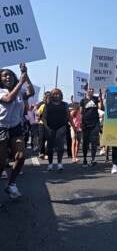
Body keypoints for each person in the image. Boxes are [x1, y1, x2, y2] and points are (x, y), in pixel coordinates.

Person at [0, 64, 34, 199]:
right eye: (4, 75)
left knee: (21, 156)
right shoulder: (1, 91)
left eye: (10, 75)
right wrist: (21, 82)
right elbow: (8, 99)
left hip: (15, 127)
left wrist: (26, 75)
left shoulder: (19, 90)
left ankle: (12, 184)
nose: (8, 77)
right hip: (1, 127)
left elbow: (30, 92)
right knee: (1, 163)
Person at [42, 88, 74, 171]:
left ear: (61, 95)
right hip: (50, 127)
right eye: (55, 94)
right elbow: (44, 117)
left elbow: (69, 116)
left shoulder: (65, 104)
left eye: (58, 94)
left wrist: (74, 126)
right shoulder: (48, 105)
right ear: (52, 95)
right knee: (50, 147)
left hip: (61, 127)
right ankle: (50, 164)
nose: (56, 95)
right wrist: (46, 127)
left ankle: (59, 163)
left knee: (60, 146)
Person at [80, 87, 104, 167]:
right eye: (89, 89)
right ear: (86, 90)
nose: (91, 90)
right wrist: (81, 123)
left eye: (92, 89)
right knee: (85, 143)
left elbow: (100, 107)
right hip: (86, 124)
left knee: (94, 142)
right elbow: (80, 113)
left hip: (95, 124)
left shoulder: (96, 99)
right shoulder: (82, 101)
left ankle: (93, 159)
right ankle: (85, 159)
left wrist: (100, 98)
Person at [36, 91, 51, 159]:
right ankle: (41, 152)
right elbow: (37, 113)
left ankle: (47, 153)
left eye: (50, 98)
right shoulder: (42, 105)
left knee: (49, 139)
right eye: (47, 98)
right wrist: (38, 118)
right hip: (42, 124)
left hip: (50, 125)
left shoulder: (54, 106)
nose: (48, 99)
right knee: (41, 138)